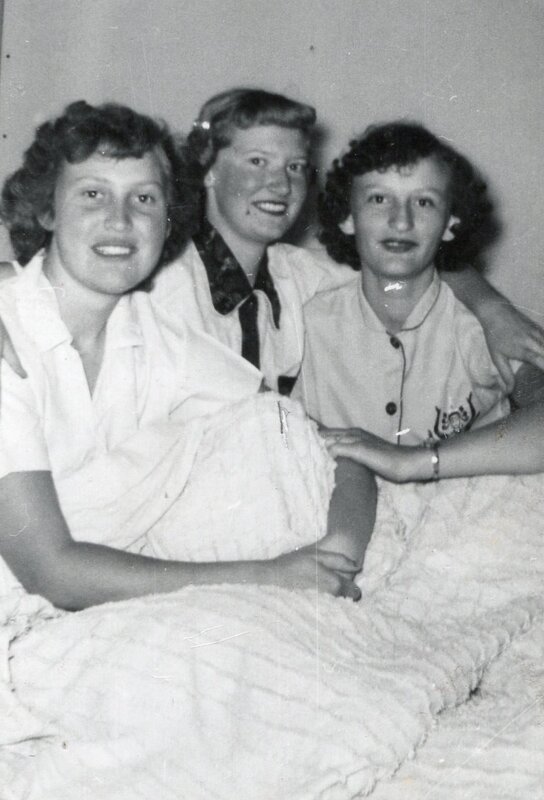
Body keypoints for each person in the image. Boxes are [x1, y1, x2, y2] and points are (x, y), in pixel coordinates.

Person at [0, 100, 366, 612]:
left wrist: (338, 549)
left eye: (144, 198)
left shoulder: (155, 336)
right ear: (47, 210)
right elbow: (49, 571)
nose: (120, 220)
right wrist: (271, 577)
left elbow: (313, 440)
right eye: (92, 194)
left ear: (169, 222)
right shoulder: (10, 333)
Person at [1, 89, 543, 392]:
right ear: (208, 170)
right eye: (257, 162)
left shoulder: (297, 276)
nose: (280, 185)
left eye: (295, 167)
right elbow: (47, 278)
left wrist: (492, 308)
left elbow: (403, 258)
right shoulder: (153, 268)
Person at [289, 121, 544, 476]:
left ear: (450, 223)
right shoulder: (304, 323)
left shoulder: (481, 327)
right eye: (379, 199)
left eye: (424, 202)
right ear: (347, 217)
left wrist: (413, 462)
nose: (401, 221)